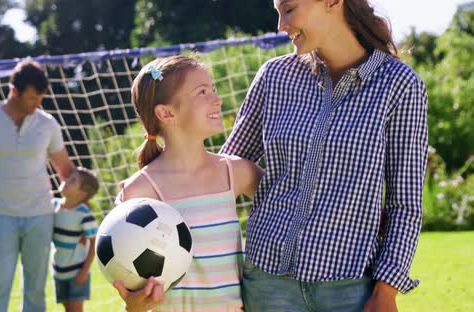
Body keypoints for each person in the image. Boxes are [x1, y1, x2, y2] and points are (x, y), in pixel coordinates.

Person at [219, 0, 429, 311]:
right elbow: (222, 171)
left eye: (289, 9)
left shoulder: (400, 86)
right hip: (266, 284)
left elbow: (405, 205)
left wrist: (385, 292)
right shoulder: (274, 78)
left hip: (350, 290)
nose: (281, 26)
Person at [112, 55, 264, 311]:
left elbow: (289, 206)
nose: (217, 99)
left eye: (213, 90)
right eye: (202, 92)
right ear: (166, 113)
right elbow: (132, 291)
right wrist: (135, 305)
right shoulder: (140, 192)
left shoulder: (235, 172)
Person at [0, 60, 75, 311]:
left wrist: (79, 213)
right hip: (1, 217)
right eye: (33, 98)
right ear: (14, 91)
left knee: (35, 295)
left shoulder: (48, 124)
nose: (38, 104)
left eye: (40, 98)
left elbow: (67, 171)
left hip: (41, 218)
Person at [52, 167, 99, 312]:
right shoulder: (53, 205)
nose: (66, 180)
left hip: (77, 273)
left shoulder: (84, 214)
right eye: (69, 177)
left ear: (81, 194)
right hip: (58, 270)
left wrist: (84, 271)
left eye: (73, 181)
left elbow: (94, 243)